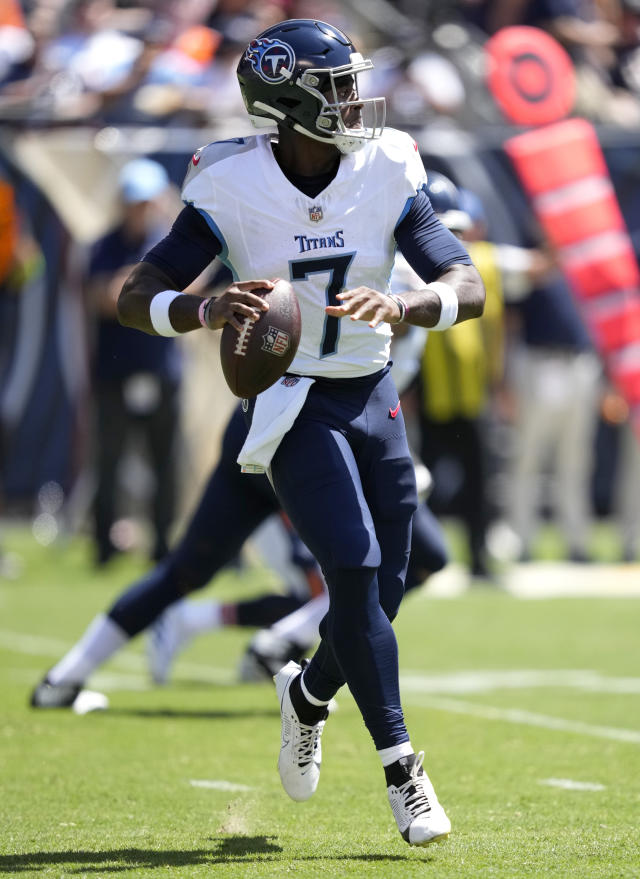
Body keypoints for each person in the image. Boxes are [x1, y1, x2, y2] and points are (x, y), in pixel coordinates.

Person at [36, 18, 485, 846]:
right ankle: (403, 770)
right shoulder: (229, 182)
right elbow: (140, 290)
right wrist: (202, 306)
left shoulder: (388, 166)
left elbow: (465, 277)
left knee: (384, 587)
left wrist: (409, 301)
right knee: (350, 567)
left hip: (372, 390)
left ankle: (309, 694)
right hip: (291, 401)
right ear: (288, 101)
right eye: (337, 86)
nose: (354, 99)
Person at [86, 157, 182, 565]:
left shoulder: (170, 246)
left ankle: (161, 545)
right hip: (115, 369)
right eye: (134, 202)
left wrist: (133, 287)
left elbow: (184, 292)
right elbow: (103, 298)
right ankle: (103, 546)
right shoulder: (105, 245)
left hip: (161, 369)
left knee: (166, 462)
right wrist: (143, 285)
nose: (140, 210)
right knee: (109, 459)